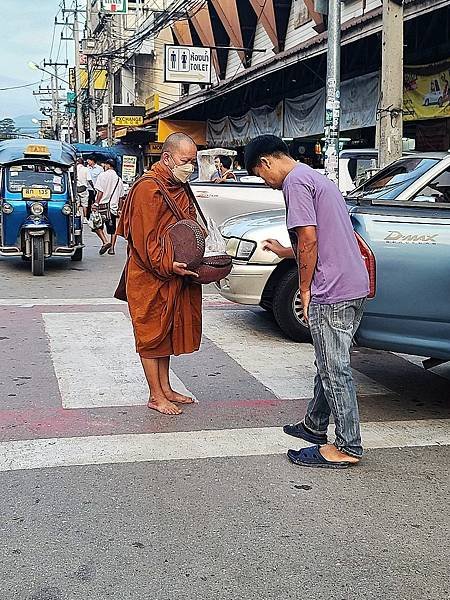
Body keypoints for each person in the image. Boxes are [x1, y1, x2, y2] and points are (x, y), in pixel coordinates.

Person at [244, 135, 369, 469]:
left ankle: (348, 445)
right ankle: (315, 426)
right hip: (353, 282)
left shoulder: (295, 183)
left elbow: (310, 239)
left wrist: (305, 288)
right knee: (327, 362)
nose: (265, 182)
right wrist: (287, 251)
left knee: (334, 368)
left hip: (333, 288)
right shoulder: (315, 178)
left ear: (266, 162)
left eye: (259, 174)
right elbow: (324, 234)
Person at [116, 133, 202, 416]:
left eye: (193, 161)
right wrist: (167, 264)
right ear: (167, 158)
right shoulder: (148, 188)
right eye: (185, 160)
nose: (190, 166)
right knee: (151, 334)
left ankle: (165, 387)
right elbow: (144, 240)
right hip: (150, 274)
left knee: (166, 333)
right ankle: (155, 395)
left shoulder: (179, 184)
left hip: (175, 271)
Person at [92, 158, 125, 256]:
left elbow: (100, 192)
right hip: (113, 207)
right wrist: (119, 209)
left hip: (102, 206)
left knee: (96, 225)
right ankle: (112, 249)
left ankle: (105, 241)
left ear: (108, 165)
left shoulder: (102, 176)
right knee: (113, 229)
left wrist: (96, 203)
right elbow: (121, 197)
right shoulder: (119, 179)